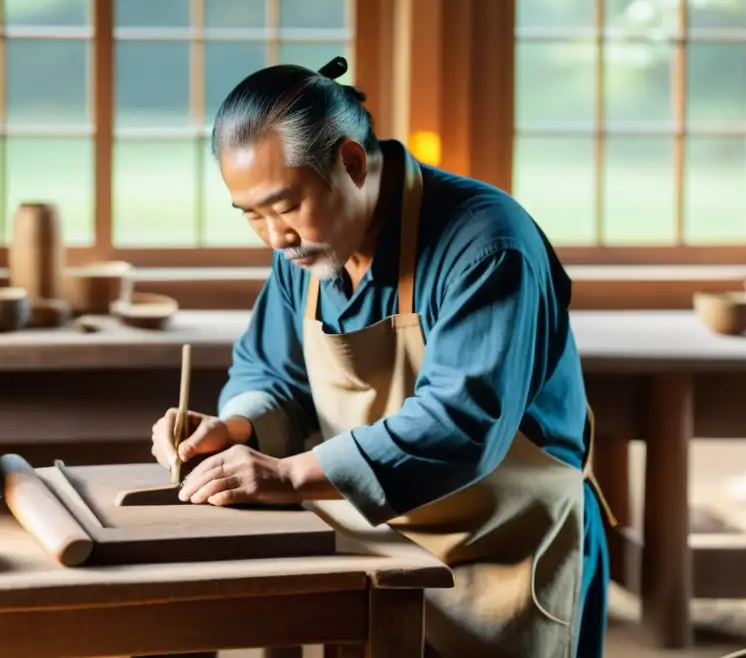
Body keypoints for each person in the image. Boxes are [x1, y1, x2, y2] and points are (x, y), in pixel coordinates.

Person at [149, 57, 613, 658]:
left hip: (507, 550)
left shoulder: (488, 244)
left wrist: (289, 474)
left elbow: (460, 423)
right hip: (377, 543)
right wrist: (234, 429)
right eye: (252, 216)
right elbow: (273, 373)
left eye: (284, 206)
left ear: (350, 163)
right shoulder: (306, 249)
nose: (273, 237)